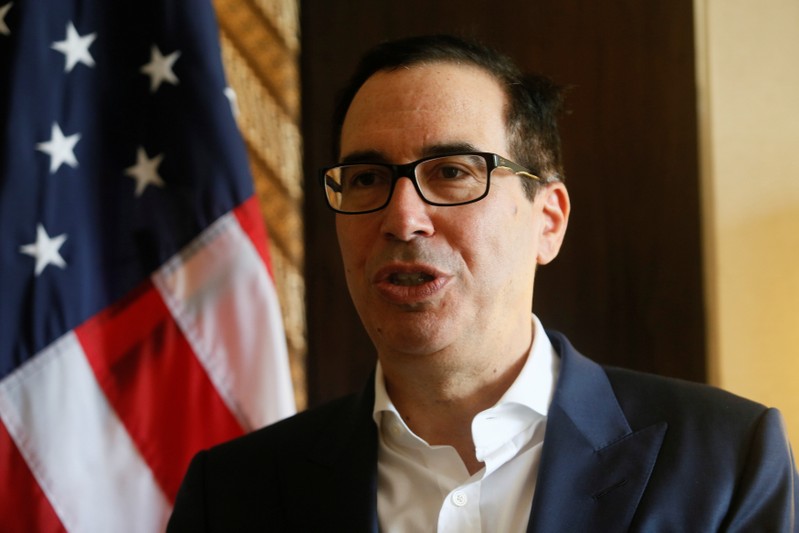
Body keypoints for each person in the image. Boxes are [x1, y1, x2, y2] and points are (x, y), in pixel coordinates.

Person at [168, 34, 798, 532]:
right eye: (365, 179)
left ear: (546, 222)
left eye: (451, 172)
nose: (402, 218)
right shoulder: (233, 496)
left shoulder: (724, 461)